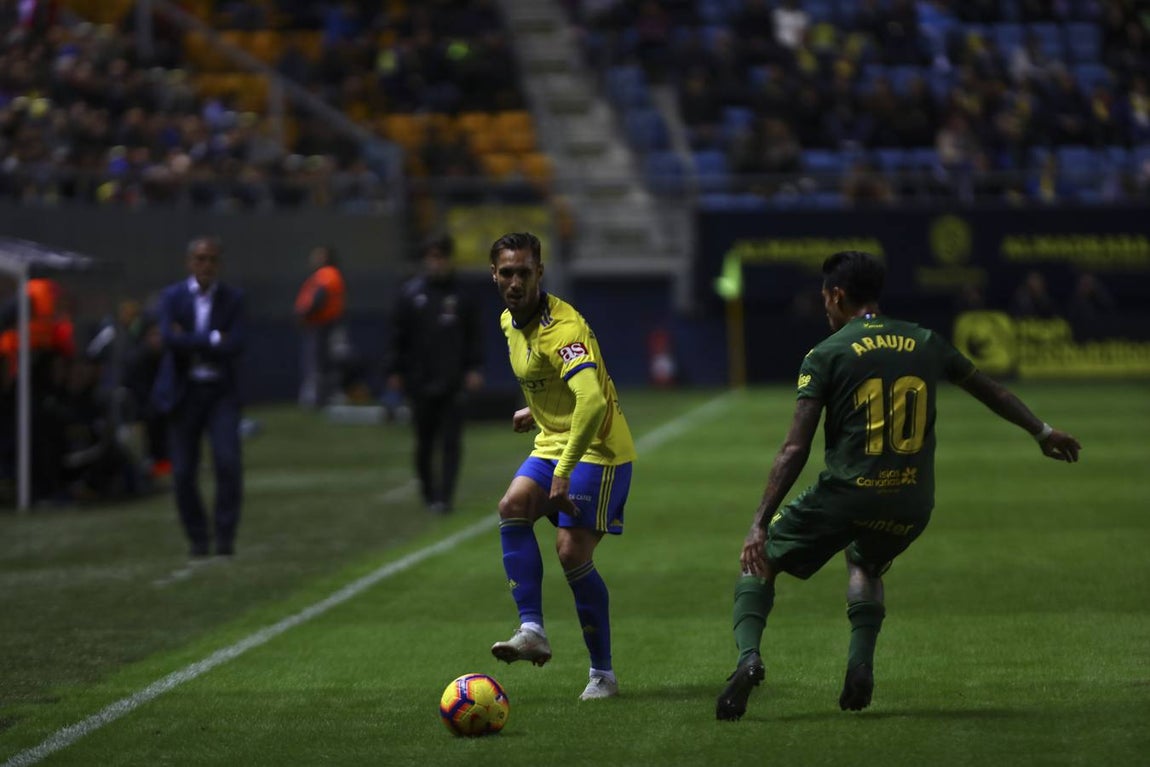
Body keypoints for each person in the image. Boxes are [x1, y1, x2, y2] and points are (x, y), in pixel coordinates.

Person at [715, 250, 1081, 721]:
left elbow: (794, 449)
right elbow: (994, 391)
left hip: (846, 493)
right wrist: (1043, 433)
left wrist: (758, 523)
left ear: (838, 295)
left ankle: (748, 660)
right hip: (911, 500)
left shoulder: (826, 353)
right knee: (866, 563)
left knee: (759, 562)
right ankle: (860, 665)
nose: (825, 307)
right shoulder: (925, 340)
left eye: (826, 298)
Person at [486, 231, 637, 701]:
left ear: (540, 273)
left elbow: (591, 400)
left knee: (571, 552)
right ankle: (531, 629)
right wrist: (537, 409)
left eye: (524, 273)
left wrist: (564, 469)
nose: (515, 282)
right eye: (506, 272)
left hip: (599, 448)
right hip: (555, 438)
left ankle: (603, 675)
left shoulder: (563, 327)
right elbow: (551, 379)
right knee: (511, 506)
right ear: (494, 274)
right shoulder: (509, 322)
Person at [151, 236, 247, 558]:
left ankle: (224, 537)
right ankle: (197, 538)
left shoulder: (234, 298)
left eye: (212, 260)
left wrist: (190, 339)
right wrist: (213, 339)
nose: (206, 266)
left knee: (228, 463)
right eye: (200, 259)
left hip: (220, 392)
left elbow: (237, 344)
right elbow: (168, 339)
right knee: (182, 472)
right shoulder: (172, 297)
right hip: (184, 392)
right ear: (189, 262)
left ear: (219, 264)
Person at [385, 234, 483, 514]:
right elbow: (397, 335)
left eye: (440, 256)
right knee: (424, 441)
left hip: (452, 380)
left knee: (451, 440)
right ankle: (429, 491)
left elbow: (473, 336)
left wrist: (475, 368)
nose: (435, 262)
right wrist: (394, 369)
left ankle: (445, 497)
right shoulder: (410, 294)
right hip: (419, 379)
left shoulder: (463, 297)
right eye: (431, 257)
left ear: (449, 259)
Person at [294, 245, 347, 408]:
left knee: (319, 363)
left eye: (318, 255)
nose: (314, 258)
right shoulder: (327, 274)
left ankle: (318, 399)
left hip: (323, 324)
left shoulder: (327, 274)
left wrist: (305, 314)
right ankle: (324, 397)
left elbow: (319, 298)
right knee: (324, 362)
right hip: (324, 324)